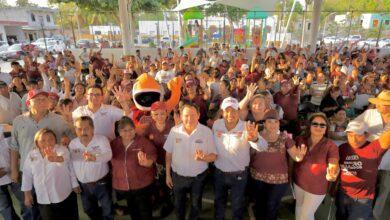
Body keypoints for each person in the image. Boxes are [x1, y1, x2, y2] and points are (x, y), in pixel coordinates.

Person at [10, 89, 73, 220]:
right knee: (30, 208)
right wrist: (14, 170)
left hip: (53, 172)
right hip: (27, 172)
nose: (42, 101)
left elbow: (74, 136)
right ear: (28, 103)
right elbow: (14, 147)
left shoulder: (58, 119)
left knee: (54, 208)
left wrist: (70, 120)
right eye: (37, 99)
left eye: (44, 99)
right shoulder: (18, 121)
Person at [212, 97, 268, 220]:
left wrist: (254, 139)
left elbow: (263, 146)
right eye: (227, 110)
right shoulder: (216, 125)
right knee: (219, 203)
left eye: (234, 110)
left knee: (237, 205)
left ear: (238, 111)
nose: (230, 114)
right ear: (222, 112)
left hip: (239, 175)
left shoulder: (247, 126)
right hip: (219, 173)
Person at [164, 102, 217, 220]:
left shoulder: (206, 132)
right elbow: (168, 154)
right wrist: (168, 175)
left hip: (198, 177)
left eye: (193, 115)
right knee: (178, 205)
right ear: (181, 116)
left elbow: (214, 156)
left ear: (198, 115)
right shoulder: (174, 131)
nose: (189, 118)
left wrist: (203, 158)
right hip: (178, 176)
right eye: (186, 115)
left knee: (196, 205)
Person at [250, 109, 306, 220]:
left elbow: (295, 156)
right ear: (264, 123)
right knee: (260, 205)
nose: (273, 125)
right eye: (269, 122)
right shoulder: (256, 136)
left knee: (272, 205)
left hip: (279, 180)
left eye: (275, 122)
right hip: (257, 177)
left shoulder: (285, 138)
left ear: (279, 123)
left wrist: (299, 156)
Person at [21, 129, 79, 220]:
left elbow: (65, 160)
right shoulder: (32, 155)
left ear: (55, 140)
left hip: (64, 195)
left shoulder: (61, 149)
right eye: (43, 140)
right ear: (37, 142)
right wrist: (27, 194)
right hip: (43, 198)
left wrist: (56, 158)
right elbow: (27, 175)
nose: (47, 142)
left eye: (51, 139)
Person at [336, 121, 390, 220]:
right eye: (350, 135)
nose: (353, 139)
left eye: (358, 135)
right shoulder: (342, 148)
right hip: (343, 194)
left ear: (367, 134)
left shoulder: (374, 147)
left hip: (362, 200)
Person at [350, 90, 390, 220]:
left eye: (381, 103)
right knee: (365, 189)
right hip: (369, 160)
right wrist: (362, 135)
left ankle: (375, 215)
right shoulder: (369, 114)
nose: (377, 105)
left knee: (384, 189)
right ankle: (359, 212)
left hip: (388, 162)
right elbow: (352, 127)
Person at [294, 113, 339, 220]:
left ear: (326, 129)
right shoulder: (300, 139)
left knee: (306, 215)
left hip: (316, 188)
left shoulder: (330, 145)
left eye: (322, 125)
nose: (318, 127)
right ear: (309, 126)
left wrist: (332, 173)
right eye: (315, 124)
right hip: (298, 183)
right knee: (299, 208)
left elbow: (333, 163)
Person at [110, 116, 157, 220]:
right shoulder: (114, 144)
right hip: (124, 187)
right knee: (133, 211)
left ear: (134, 129)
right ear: (119, 131)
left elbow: (153, 156)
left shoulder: (143, 141)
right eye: (124, 130)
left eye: (131, 129)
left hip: (142, 185)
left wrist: (147, 162)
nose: (128, 133)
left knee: (145, 211)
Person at [69, 116, 114, 220]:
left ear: (92, 128)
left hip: (102, 183)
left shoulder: (102, 139)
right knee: (88, 209)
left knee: (108, 208)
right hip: (83, 185)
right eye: (79, 129)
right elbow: (71, 165)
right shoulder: (73, 144)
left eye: (86, 128)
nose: (83, 132)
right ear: (75, 130)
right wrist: (74, 183)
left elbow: (108, 155)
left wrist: (95, 158)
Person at [140, 101, 175, 217]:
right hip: (155, 163)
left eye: (162, 114)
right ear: (152, 115)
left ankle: (168, 205)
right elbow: (142, 143)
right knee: (156, 184)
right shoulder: (148, 127)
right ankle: (159, 201)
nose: (159, 117)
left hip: (170, 162)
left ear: (166, 113)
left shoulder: (173, 125)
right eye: (156, 114)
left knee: (168, 185)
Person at [0, 126, 19, 220]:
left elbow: (17, 150)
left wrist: (14, 168)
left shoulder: (7, 129)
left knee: (28, 204)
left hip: (15, 173)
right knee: (6, 211)